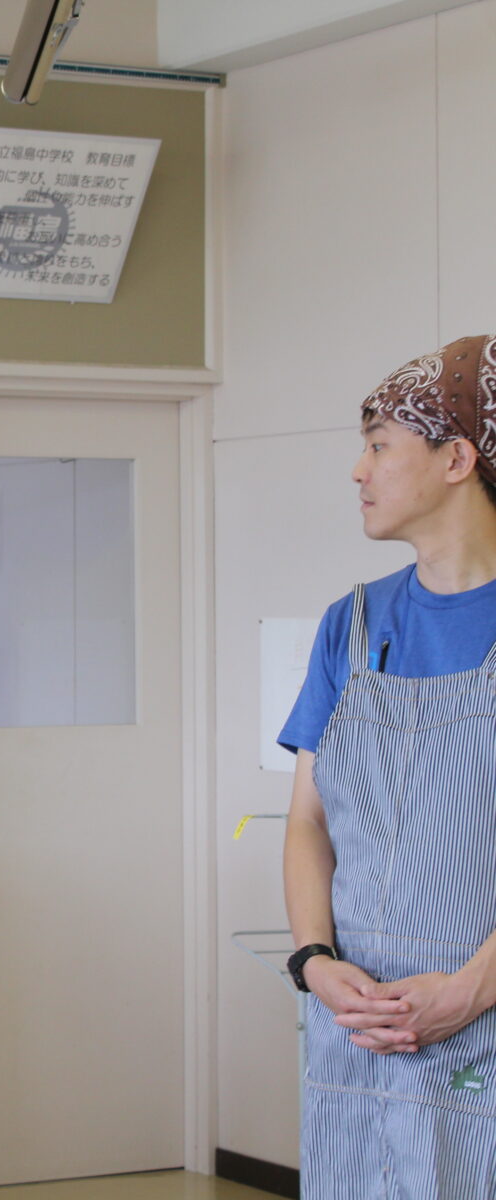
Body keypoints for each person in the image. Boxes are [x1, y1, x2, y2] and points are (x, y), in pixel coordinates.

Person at [281, 335, 496, 1196]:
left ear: (457, 457)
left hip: (479, 1016)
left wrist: (473, 991)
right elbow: (307, 820)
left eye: (378, 445)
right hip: (357, 1025)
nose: (358, 470)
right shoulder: (350, 626)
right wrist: (314, 961)